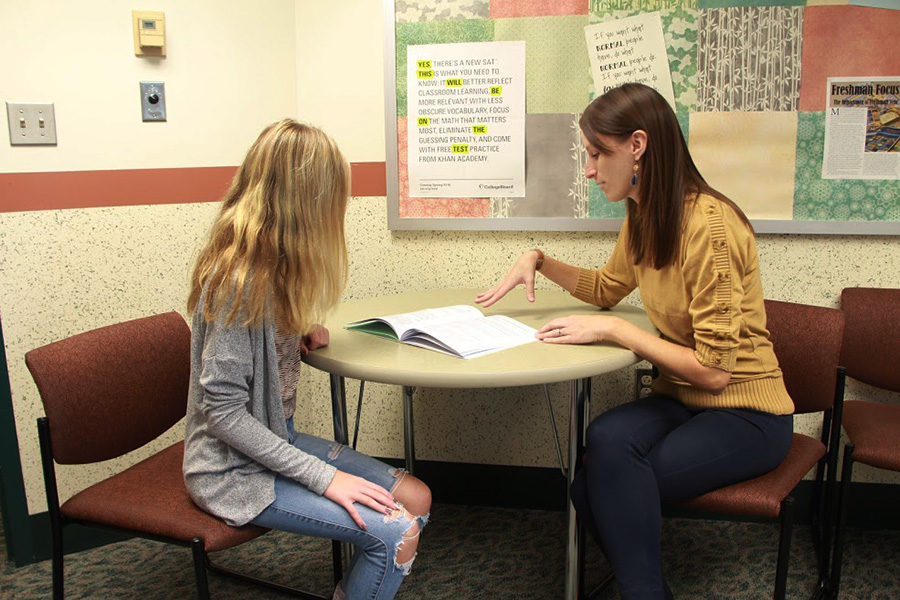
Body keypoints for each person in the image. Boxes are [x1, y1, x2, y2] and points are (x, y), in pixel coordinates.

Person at [476, 83, 793, 600]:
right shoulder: (644, 214)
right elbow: (605, 289)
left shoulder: (709, 227)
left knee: (596, 487)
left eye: (598, 153)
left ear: (638, 146)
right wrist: (538, 258)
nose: (590, 169)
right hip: (682, 399)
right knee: (604, 443)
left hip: (748, 412)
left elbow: (716, 371)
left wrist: (620, 330)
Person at [183, 119, 431, 600]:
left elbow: (254, 348)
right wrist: (326, 478)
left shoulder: (274, 268)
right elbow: (224, 412)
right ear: (305, 204)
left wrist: (294, 329)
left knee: (416, 498)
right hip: (231, 471)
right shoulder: (238, 282)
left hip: (277, 439)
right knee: (397, 531)